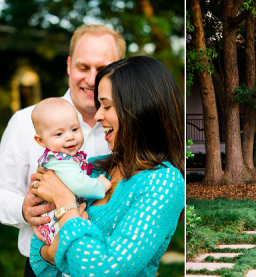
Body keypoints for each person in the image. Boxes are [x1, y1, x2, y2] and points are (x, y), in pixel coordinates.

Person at [28, 55, 185, 276]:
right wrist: (52, 251)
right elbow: (37, 252)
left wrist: (65, 204)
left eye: (107, 106)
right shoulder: (92, 167)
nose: (98, 115)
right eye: (99, 105)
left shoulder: (164, 182)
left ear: (139, 108)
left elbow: (104, 269)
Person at [0, 24, 125, 276]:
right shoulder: (24, 122)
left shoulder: (130, 128)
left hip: (109, 266)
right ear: (69, 65)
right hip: (44, 265)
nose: (91, 79)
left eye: (102, 70)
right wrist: (24, 209)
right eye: (83, 67)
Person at [31, 98, 112, 247]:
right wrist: (100, 185)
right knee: (76, 251)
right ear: (41, 141)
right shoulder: (58, 161)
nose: (70, 137)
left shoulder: (66, 159)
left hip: (66, 218)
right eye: (59, 134)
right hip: (57, 224)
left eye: (75, 129)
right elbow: (79, 185)